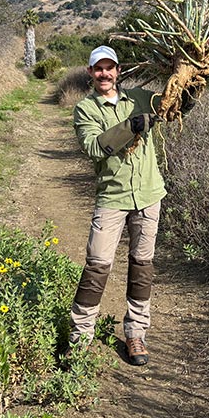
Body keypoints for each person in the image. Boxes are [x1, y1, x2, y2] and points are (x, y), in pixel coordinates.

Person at [68, 44, 166, 366]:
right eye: (99, 69)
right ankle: (80, 338)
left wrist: (192, 82)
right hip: (113, 196)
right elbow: (95, 147)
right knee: (97, 265)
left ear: (118, 71)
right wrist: (132, 127)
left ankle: (136, 333)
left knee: (142, 266)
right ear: (90, 73)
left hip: (149, 194)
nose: (105, 74)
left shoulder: (139, 97)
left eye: (110, 68)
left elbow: (172, 106)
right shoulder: (85, 109)